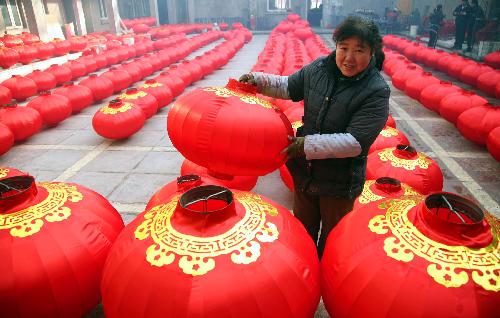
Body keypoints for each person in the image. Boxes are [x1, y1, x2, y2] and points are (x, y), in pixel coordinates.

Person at [239, 16, 389, 257]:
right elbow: (288, 86)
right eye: (344, 48)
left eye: (359, 50)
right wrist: (258, 80)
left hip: (339, 181)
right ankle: (305, 278)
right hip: (305, 174)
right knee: (303, 234)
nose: (349, 58)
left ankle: (325, 280)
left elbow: (355, 143)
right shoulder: (319, 69)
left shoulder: (376, 92)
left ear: (372, 52)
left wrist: (305, 145)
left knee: (332, 240)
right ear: (336, 46)